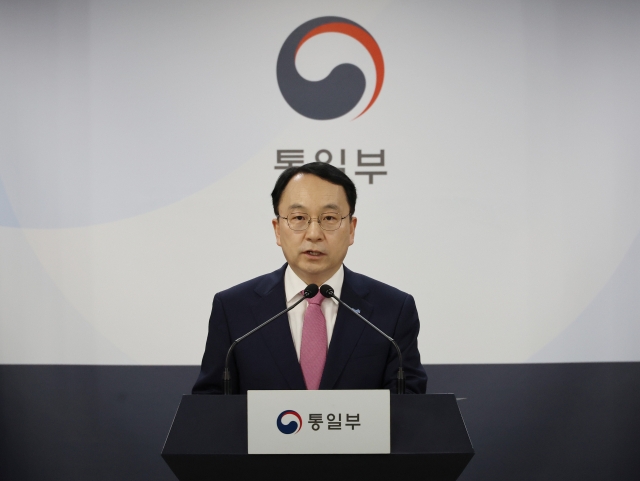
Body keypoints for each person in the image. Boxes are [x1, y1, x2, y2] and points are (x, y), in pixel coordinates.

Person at [192, 162, 427, 394]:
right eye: (298, 218)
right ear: (277, 229)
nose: (314, 234)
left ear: (351, 229)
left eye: (329, 218)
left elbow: (408, 411)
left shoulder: (393, 310)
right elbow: (210, 408)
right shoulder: (234, 309)